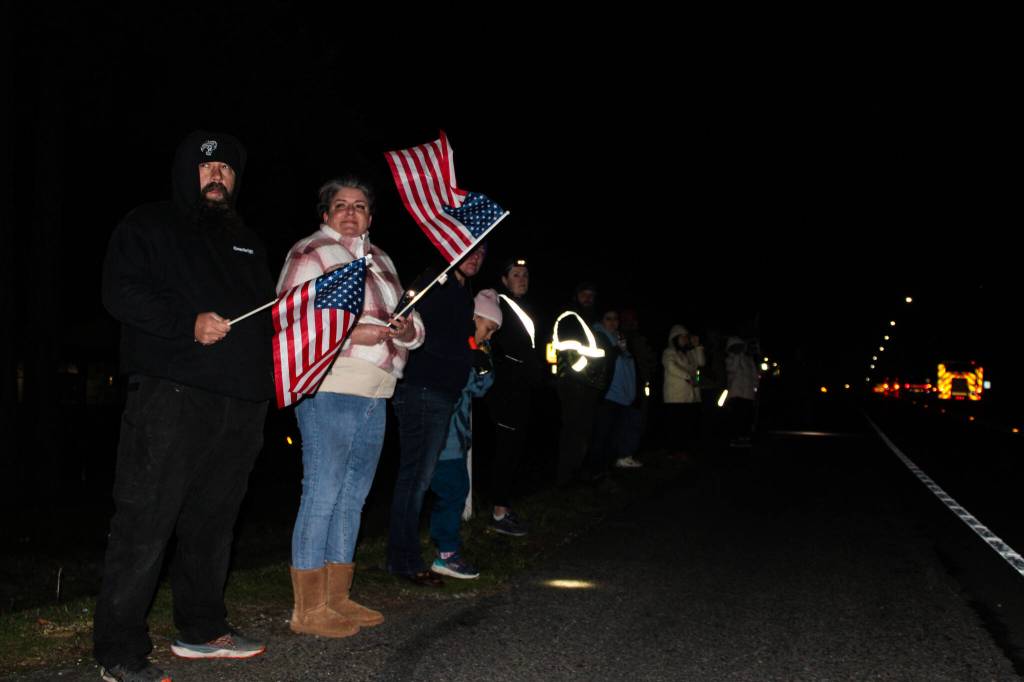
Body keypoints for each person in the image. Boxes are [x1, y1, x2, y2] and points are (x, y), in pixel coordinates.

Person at [94, 130, 274, 682]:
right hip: (170, 396)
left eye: (226, 168)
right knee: (146, 522)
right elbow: (119, 292)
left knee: (213, 524)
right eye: (205, 166)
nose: (216, 174)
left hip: (240, 403)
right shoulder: (148, 223)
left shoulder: (249, 241)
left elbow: (268, 314)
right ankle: (119, 650)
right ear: (185, 174)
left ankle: (201, 629)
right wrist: (185, 324)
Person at [276, 176, 424, 637]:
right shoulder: (311, 253)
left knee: (353, 497)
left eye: (359, 206)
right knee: (323, 490)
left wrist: (404, 330)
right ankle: (307, 608)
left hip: (378, 389)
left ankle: (337, 596)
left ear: (370, 216)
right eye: (340, 205)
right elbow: (289, 315)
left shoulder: (381, 259)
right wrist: (347, 335)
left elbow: (416, 325)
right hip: (332, 385)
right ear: (325, 214)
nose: (349, 212)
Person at [387, 244, 486, 586]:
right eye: (469, 250)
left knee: (420, 479)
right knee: (415, 479)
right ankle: (405, 561)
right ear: (451, 248)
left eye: (481, 252)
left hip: (443, 393)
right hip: (422, 390)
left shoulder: (462, 291)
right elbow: (402, 322)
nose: (475, 257)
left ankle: (403, 556)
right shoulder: (434, 282)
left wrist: (468, 357)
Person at [427, 289, 502, 579]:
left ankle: (445, 548)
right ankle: (446, 552)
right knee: (454, 489)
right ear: (474, 317)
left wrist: (485, 365)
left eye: (494, 331)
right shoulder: (453, 344)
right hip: (442, 438)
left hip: (456, 439)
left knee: (454, 489)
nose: (489, 335)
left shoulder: (477, 350)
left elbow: (479, 390)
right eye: (488, 327)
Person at [485, 258, 543, 536]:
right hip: (505, 390)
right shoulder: (496, 303)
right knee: (505, 450)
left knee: (516, 448)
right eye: (516, 274)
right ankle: (498, 512)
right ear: (504, 279)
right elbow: (489, 343)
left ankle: (505, 506)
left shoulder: (526, 308)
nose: (522, 278)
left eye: (525, 275)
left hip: (524, 390)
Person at [551, 282, 610, 485]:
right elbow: (572, 355)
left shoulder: (591, 322)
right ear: (576, 295)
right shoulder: (570, 318)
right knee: (572, 431)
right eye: (584, 294)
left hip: (587, 386)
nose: (588, 298)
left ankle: (576, 474)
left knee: (584, 431)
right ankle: (565, 479)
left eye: (591, 295)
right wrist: (593, 368)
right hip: (573, 384)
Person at [587, 308, 640, 476]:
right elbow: (603, 361)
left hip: (622, 395)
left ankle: (607, 468)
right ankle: (595, 471)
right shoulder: (598, 336)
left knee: (614, 434)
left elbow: (628, 365)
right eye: (608, 318)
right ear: (602, 321)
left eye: (615, 318)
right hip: (607, 394)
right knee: (602, 434)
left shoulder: (619, 338)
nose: (613, 322)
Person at [662, 325, 706, 458]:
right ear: (675, 338)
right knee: (676, 425)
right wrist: (688, 377)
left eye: (687, 337)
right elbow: (671, 366)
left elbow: (701, 363)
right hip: (675, 395)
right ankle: (673, 451)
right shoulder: (669, 352)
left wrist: (697, 346)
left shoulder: (690, 353)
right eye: (683, 337)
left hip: (690, 395)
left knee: (687, 424)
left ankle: (684, 449)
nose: (686, 339)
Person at [725, 334, 759, 447]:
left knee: (747, 417)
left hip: (748, 394)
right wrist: (737, 356)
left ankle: (745, 437)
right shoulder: (730, 359)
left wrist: (755, 389)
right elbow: (732, 369)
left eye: (740, 346)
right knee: (737, 417)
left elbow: (754, 376)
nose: (738, 348)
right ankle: (735, 438)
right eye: (736, 346)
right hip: (736, 393)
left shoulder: (749, 360)